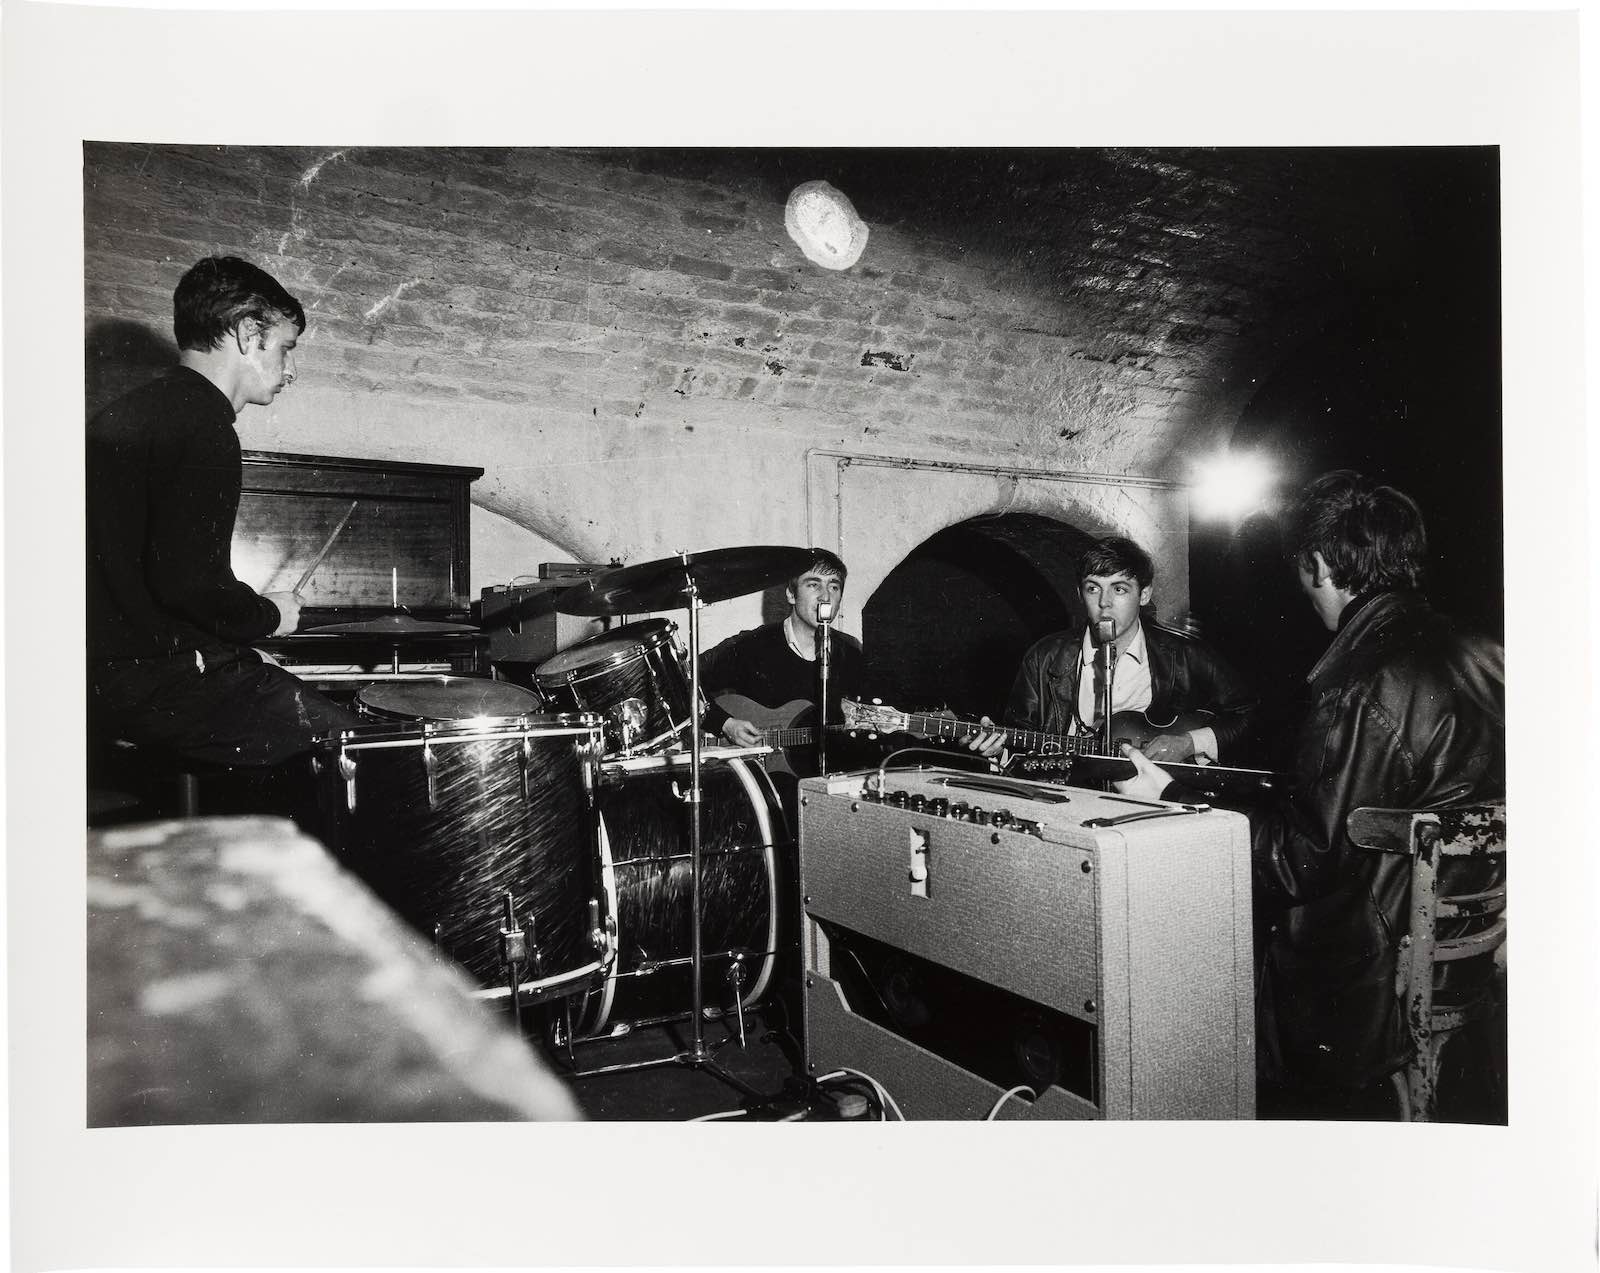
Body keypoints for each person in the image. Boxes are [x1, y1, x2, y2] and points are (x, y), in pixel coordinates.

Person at [1115, 471, 1505, 1118]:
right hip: (1469, 956)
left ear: (1320, 564)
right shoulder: (1490, 655)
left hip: (1372, 982)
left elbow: (1299, 861)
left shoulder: (1357, 682)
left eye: (1303, 570)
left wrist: (1179, 799)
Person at [88, 255, 360, 771]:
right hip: (154, 685)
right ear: (247, 333)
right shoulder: (204, 426)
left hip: (107, 677)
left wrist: (232, 653)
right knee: (362, 752)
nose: (291, 370)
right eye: (285, 348)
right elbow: (188, 585)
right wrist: (271, 616)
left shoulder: (126, 412)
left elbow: (148, 588)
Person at [972, 535, 1256, 766]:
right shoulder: (1044, 656)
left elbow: (1250, 713)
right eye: (1093, 588)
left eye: (1119, 589)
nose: (1104, 603)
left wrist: (1189, 743)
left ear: (1144, 594)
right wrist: (998, 751)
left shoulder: (1184, 653)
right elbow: (1020, 743)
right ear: (1080, 594)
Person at [698, 549, 863, 795]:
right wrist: (725, 723)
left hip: (825, 792)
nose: (825, 596)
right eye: (813, 585)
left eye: (834, 586)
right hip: (760, 791)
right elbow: (681, 682)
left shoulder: (851, 651)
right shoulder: (751, 645)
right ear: (791, 594)